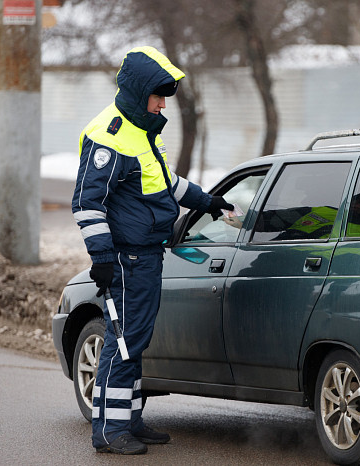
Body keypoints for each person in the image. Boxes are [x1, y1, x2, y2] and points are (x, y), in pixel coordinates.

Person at [71, 46, 232, 456]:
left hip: (146, 254)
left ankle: (130, 420)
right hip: (127, 257)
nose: (163, 105)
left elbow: (165, 183)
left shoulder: (140, 133)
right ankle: (109, 430)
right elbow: (88, 204)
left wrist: (208, 201)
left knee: (135, 339)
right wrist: (103, 259)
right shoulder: (108, 136)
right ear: (140, 92)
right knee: (123, 341)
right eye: (158, 96)